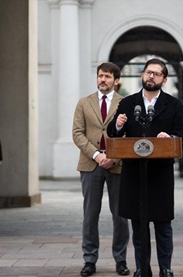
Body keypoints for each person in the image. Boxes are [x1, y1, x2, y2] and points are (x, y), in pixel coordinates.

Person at [107, 58, 183, 277]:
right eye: (147, 72)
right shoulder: (128, 103)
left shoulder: (174, 105)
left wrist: (170, 137)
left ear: (164, 79)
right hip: (134, 173)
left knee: (163, 225)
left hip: (160, 174)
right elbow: (113, 134)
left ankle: (166, 268)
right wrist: (118, 125)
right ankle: (142, 268)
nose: (150, 76)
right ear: (142, 75)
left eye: (156, 73)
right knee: (138, 224)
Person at [73, 62, 130, 276]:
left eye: (107, 76)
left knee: (120, 215)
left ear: (116, 80)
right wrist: (97, 155)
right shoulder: (83, 103)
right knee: (90, 215)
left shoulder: (125, 103)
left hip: (117, 166)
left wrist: (113, 158)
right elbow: (77, 133)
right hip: (90, 165)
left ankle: (121, 259)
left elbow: (128, 134)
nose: (102, 80)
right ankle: (89, 260)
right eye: (100, 76)